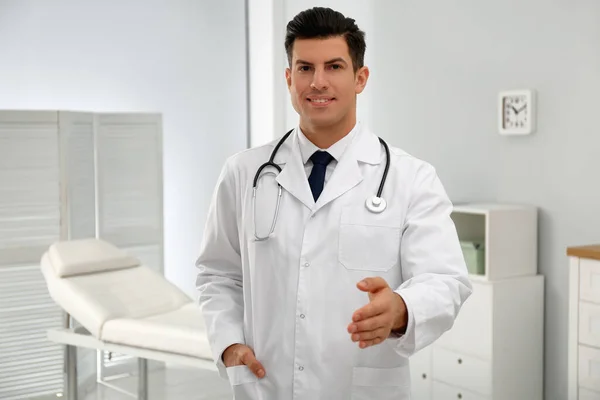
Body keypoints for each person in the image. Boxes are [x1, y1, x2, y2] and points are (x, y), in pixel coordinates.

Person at [196, 6, 472, 400]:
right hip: (265, 384)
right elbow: (218, 274)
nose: (318, 82)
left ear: (360, 78)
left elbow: (446, 280)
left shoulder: (411, 178)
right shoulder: (244, 173)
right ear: (289, 79)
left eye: (334, 67)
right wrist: (227, 345)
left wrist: (401, 308)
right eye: (305, 68)